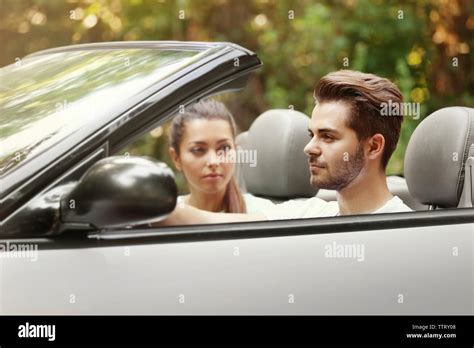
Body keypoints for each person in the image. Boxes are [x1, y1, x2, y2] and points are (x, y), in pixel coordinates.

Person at [155, 70, 412, 226]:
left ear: (373, 146)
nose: (309, 148)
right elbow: (207, 223)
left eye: (328, 137)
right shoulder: (307, 213)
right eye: (312, 134)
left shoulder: (408, 233)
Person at [168, 99, 274, 214]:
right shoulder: (162, 217)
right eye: (198, 149)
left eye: (224, 148)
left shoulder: (264, 213)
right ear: (176, 158)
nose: (213, 161)